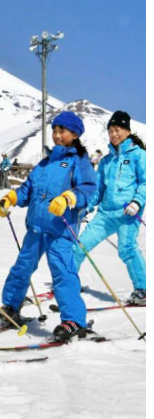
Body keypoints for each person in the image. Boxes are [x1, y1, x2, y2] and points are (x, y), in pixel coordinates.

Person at [0, 111, 99, 342]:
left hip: (61, 229)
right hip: (36, 227)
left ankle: (74, 320)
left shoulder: (78, 161)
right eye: (55, 129)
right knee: (22, 267)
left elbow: (88, 189)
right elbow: (28, 189)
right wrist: (11, 198)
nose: (57, 134)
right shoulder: (45, 162)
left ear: (75, 134)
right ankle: (10, 306)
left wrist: (69, 198)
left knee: (62, 272)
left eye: (62, 130)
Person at [73, 111, 146, 305]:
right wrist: (85, 207)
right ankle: (69, 283)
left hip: (127, 213)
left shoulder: (139, 155)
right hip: (105, 214)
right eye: (111, 130)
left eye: (118, 129)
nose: (114, 134)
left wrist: (137, 202)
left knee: (127, 249)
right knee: (80, 246)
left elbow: (146, 183)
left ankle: (143, 290)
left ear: (128, 131)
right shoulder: (106, 161)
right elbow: (98, 190)